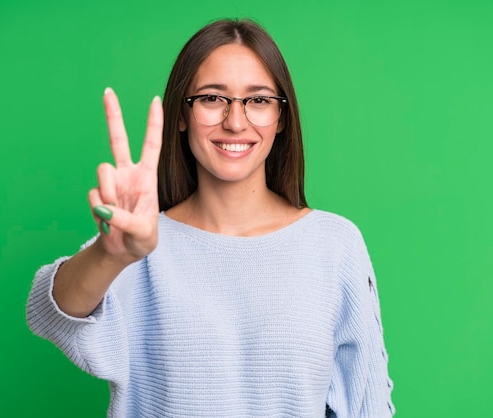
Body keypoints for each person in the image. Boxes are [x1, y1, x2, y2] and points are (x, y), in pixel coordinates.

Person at [27, 18, 395, 417]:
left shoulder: (334, 244)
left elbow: (367, 405)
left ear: (282, 117)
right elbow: (49, 315)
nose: (235, 122)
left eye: (257, 100)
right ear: (181, 115)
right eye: (212, 98)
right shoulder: (140, 241)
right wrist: (112, 254)